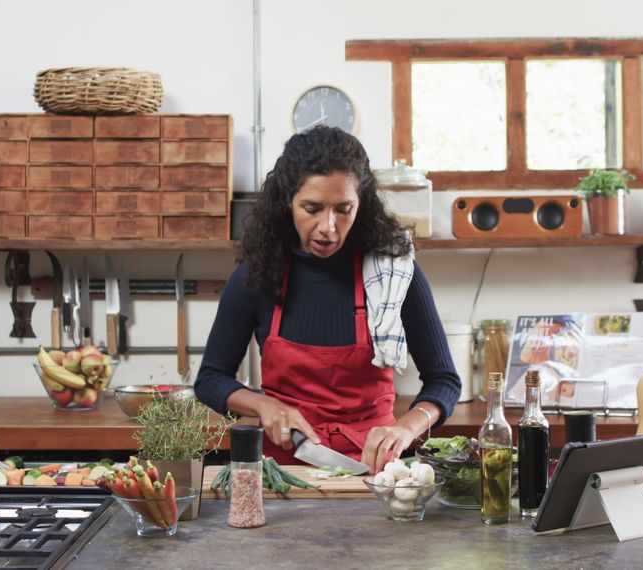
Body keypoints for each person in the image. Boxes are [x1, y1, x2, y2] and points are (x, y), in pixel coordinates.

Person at [194, 126, 461, 474]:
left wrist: (406, 428)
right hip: (285, 472)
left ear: (361, 204)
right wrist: (264, 406)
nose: (328, 227)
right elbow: (211, 379)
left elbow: (445, 381)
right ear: (287, 201)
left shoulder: (392, 274)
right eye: (312, 208)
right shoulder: (256, 276)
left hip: (374, 470)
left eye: (343, 209)